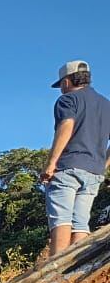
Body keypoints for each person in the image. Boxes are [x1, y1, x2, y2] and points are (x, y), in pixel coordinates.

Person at [42, 60, 110, 259]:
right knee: (80, 222)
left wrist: (51, 163)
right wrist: (103, 165)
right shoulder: (106, 105)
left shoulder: (68, 100)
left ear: (66, 81)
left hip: (69, 167)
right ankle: (76, 267)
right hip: (94, 172)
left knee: (61, 219)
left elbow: (67, 126)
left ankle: (54, 271)